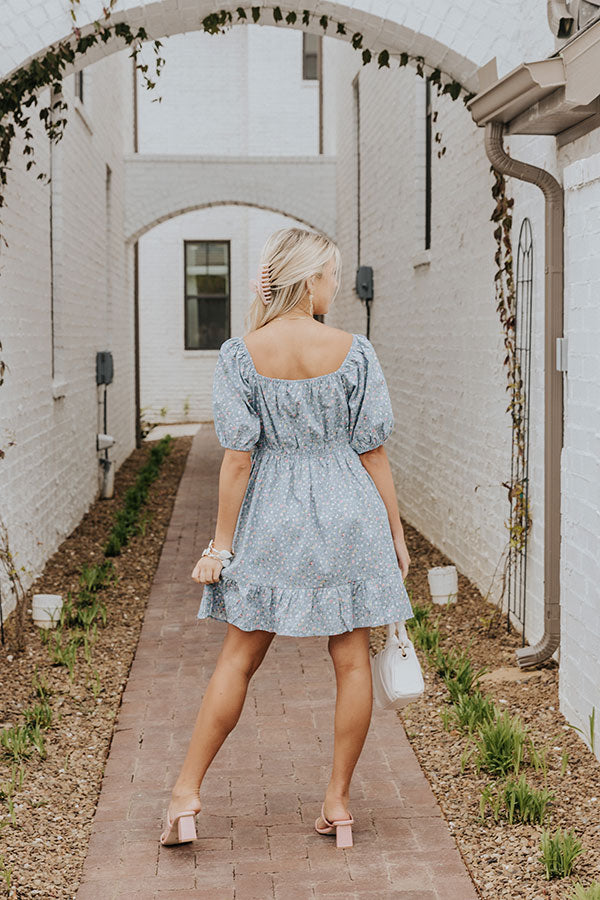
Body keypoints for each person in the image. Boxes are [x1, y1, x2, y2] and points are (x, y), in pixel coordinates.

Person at [159, 226, 413, 849]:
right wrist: (395, 534)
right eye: (330, 274)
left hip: (272, 517)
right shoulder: (355, 352)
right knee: (350, 658)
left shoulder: (240, 353)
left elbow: (239, 459)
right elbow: (373, 452)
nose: (335, 284)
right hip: (348, 513)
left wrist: (222, 546)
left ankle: (185, 797)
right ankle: (339, 804)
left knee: (239, 658)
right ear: (308, 278)